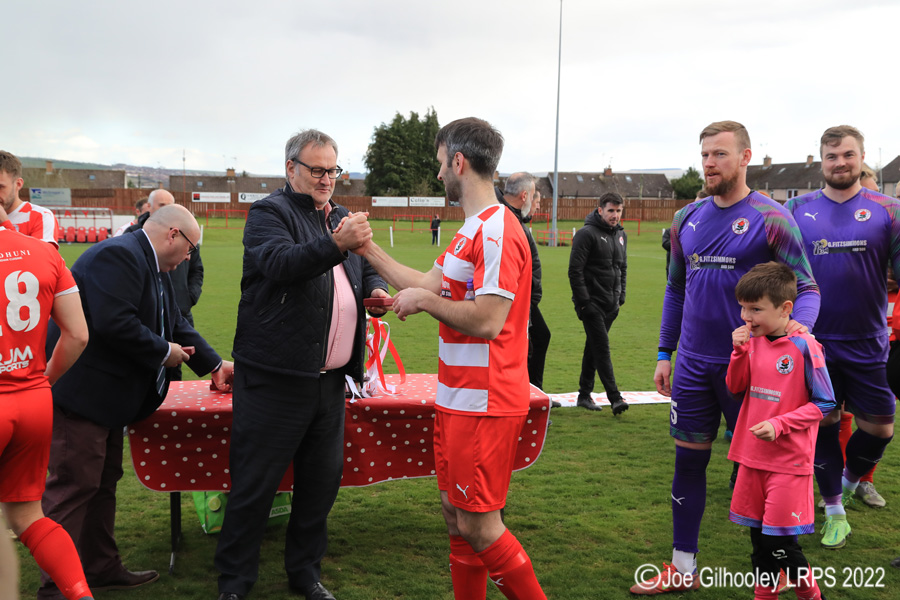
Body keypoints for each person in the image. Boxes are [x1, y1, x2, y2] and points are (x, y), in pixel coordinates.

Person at [358, 117, 546, 600]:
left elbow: (487, 320)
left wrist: (424, 304)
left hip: (486, 401)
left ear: (458, 162)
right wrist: (368, 250)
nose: (439, 174)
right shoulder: (472, 229)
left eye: (441, 164)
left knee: (480, 526)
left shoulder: (499, 228)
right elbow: (426, 283)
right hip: (457, 398)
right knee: (454, 516)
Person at [632, 121, 820, 595]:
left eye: (719, 154)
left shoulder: (772, 217)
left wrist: (795, 338)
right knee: (688, 464)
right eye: (705, 155)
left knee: (760, 470)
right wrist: (663, 353)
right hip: (694, 365)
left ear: (745, 157)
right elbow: (676, 289)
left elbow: (808, 287)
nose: (710, 163)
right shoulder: (685, 218)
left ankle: (776, 573)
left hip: (754, 370)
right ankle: (682, 567)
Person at [214, 129, 389, 600]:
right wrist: (337, 243)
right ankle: (234, 582)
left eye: (332, 170)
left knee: (318, 487)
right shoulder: (268, 213)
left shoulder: (339, 217)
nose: (326, 178)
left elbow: (360, 268)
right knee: (254, 486)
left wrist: (374, 290)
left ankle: (305, 574)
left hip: (331, 382)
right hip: (275, 377)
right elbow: (281, 263)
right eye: (316, 169)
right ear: (290, 169)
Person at [39, 204, 234, 599]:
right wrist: (165, 352)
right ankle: (56, 585)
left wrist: (214, 364)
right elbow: (116, 322)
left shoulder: (150, 264)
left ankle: (99, 566)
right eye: (192, 248)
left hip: (107, 400)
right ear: (173, 235)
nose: (190, 258)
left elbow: (175, 320)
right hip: (83, 396)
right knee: (74, 487)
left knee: (102, 482)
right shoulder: (120, 255)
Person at [785, 125, 900, 549]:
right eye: (832, 157)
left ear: (861, 156)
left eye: (848, 155)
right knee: (826, 425)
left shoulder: (888, 209)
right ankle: (834, 511)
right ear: (821, 161)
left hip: (870, 340)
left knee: (880, 427)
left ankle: (849, 482)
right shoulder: (797, 209)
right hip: (813, 342)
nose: (840, 163)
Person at [726, 262, 835, 600]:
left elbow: (826, 403)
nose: (747, 316)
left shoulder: (805, 347)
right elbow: (735, 386)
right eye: (743, 307)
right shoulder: (752, 341)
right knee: (759, 542)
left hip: (788, 463)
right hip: (751, 457)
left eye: (756, 309)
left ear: (786, 308)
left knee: (780, 543)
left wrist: (779, 424)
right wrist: (738, 353)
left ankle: (812, 595)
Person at [0, 228, 92, 600]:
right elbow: (78, 335)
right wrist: (43, 381)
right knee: (28, 517)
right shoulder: (45, 252)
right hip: (33, 400)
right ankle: (81, 595)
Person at [125, 190, 205, 374]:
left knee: (174, 371)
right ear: (149, 207)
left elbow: (197, 270)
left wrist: (189, 296)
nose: (187, 257)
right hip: (147, 323)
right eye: (162, 205)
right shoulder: (129, 244)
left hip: (180, 313)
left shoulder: (186, 238)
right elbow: (117, 322)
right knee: (146, 371)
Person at [569, 192, 628, 415]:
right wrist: (585, 303)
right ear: (600, 209)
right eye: (611, 210)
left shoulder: (621, 235)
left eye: (619, 210)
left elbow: (622, 267)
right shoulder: (586, 234)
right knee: (601, 349)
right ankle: (615, 398)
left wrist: (620, 296)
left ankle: (584, 395)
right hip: (592, 305)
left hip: (611, 305)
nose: (615, 215)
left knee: (593, 348)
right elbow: (575, 271)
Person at [497, 173, 552, 392]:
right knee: (527, 346)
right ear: (524, 195)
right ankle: (528, 395)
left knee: (539, 338)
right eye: (534, 200)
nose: (535, 206)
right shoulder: (508, 220)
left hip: (525, 298)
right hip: (517, 299)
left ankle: (532, 393)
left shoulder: (515, 219)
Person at [0, 151, 60, 247]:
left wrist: (5, 224)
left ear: (18, 184)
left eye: (0, 187)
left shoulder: (40, 216)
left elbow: (40, 259)